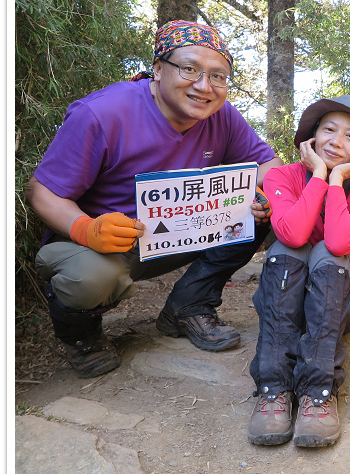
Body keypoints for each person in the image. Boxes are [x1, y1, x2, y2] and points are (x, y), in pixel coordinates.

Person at [25, 20, 283, 379]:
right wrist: (83, 227)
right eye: (189, 69)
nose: (204, 86)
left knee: (266, 211)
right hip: (107, 245)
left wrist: (262, 193)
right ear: (158, 69)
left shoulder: (221, 114)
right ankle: (81, 336)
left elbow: (268, 164)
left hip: (180, 234)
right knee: (89, 277)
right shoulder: (102, 113)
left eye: (218, 75)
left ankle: (189, 306)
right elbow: (40, 191)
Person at [248, 95, 350, 448]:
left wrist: (336, 180)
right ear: (311, 137)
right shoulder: (281, 176)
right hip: (288, 296)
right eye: (329, 130)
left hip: (346, 300)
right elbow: (293, 233)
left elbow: (340, 243)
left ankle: (318, 393)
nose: (336, 141)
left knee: (328, 250)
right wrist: (318, 177)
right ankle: (273, 389)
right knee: (285, 247)